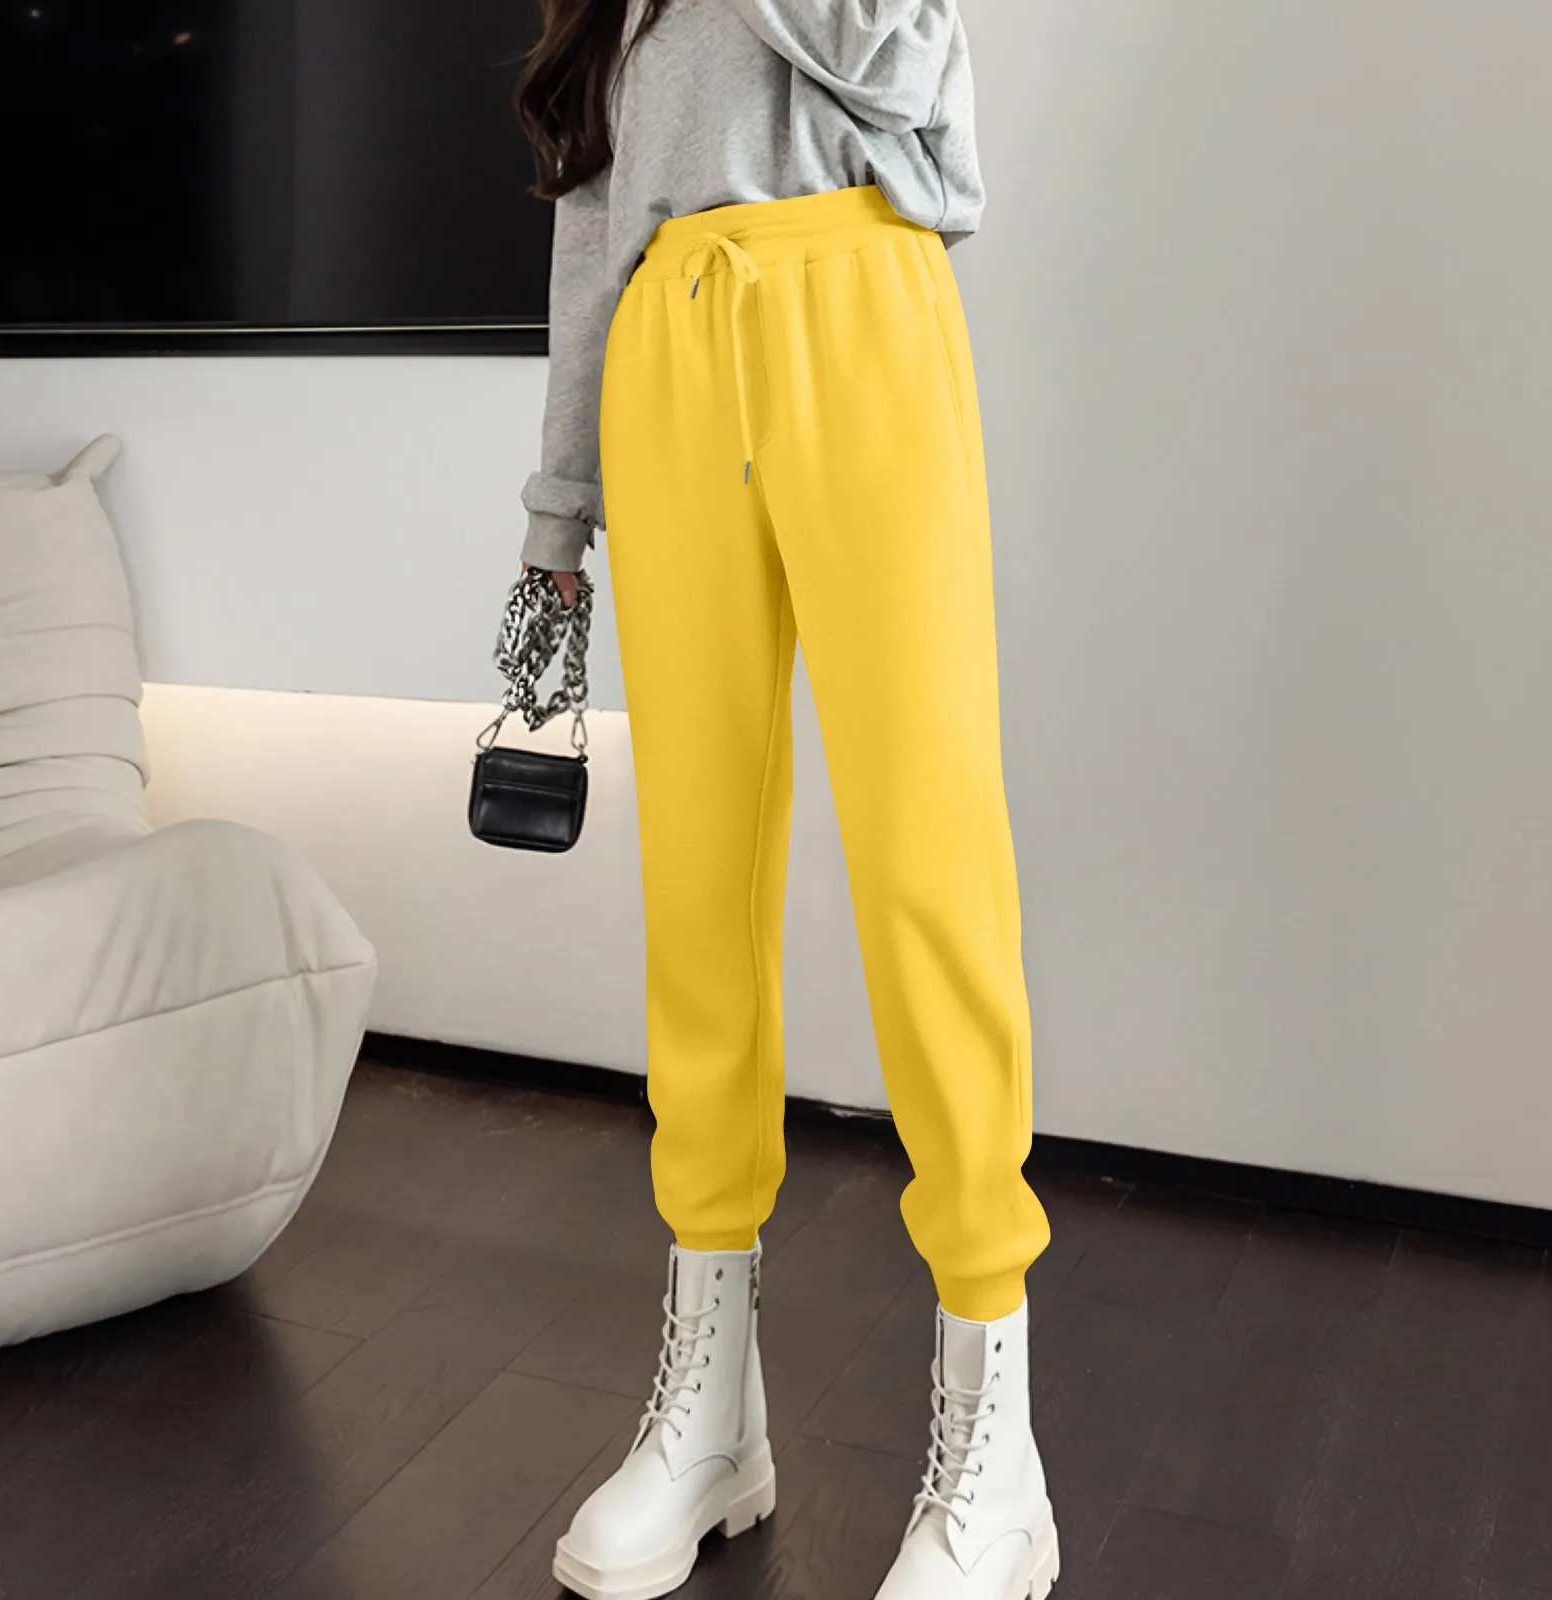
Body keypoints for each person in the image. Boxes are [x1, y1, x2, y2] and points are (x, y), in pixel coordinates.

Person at [512, 2, 1058, 1595]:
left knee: (925, 863)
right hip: (668, 354)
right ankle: (713, 1416)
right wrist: (557, 512)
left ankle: (999, 1444)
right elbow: (593, 224)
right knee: (698, 884)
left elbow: (902, 60)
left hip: (861, 308)